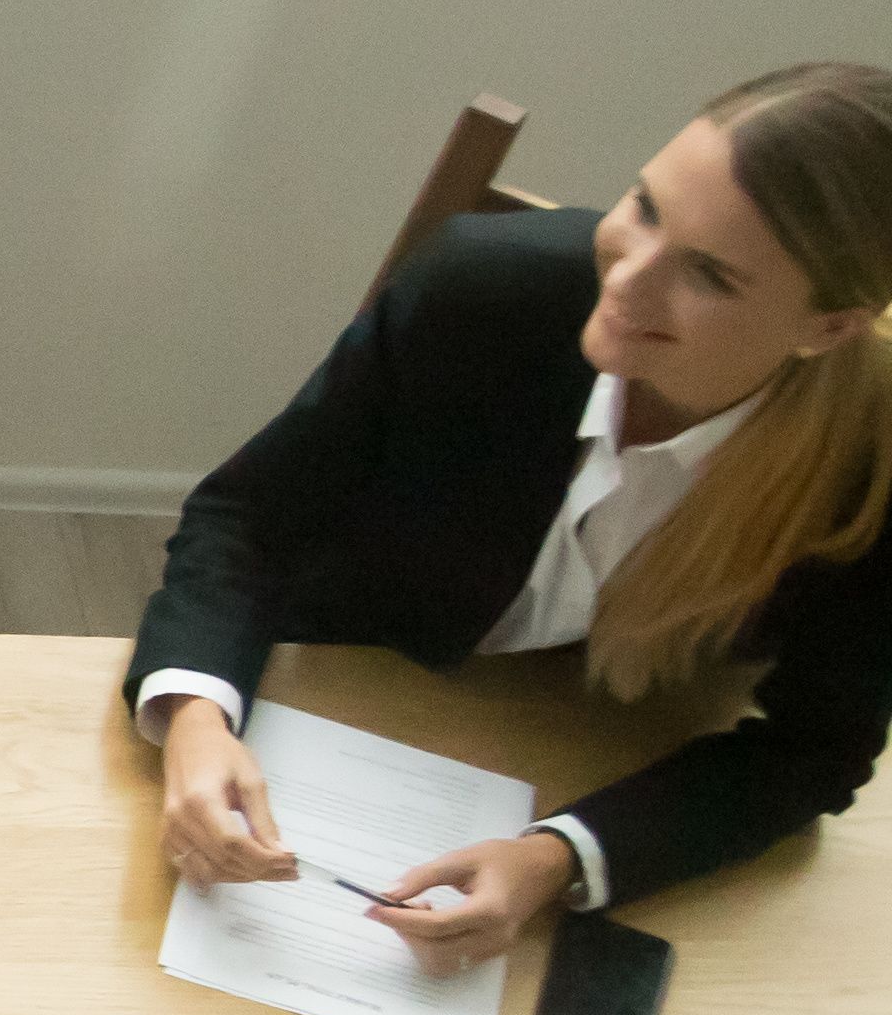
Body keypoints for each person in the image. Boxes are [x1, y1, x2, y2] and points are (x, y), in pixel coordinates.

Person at [131, 62, 891, 964]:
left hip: (588, 758)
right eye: (645, 208)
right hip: (338, 696)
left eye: (711, 275)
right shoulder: (481, 290)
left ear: (829, 327)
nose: (629, 284)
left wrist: (556, 859)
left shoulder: (867, 470)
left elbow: (814, 751)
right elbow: (248, 517)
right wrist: (193, 716)